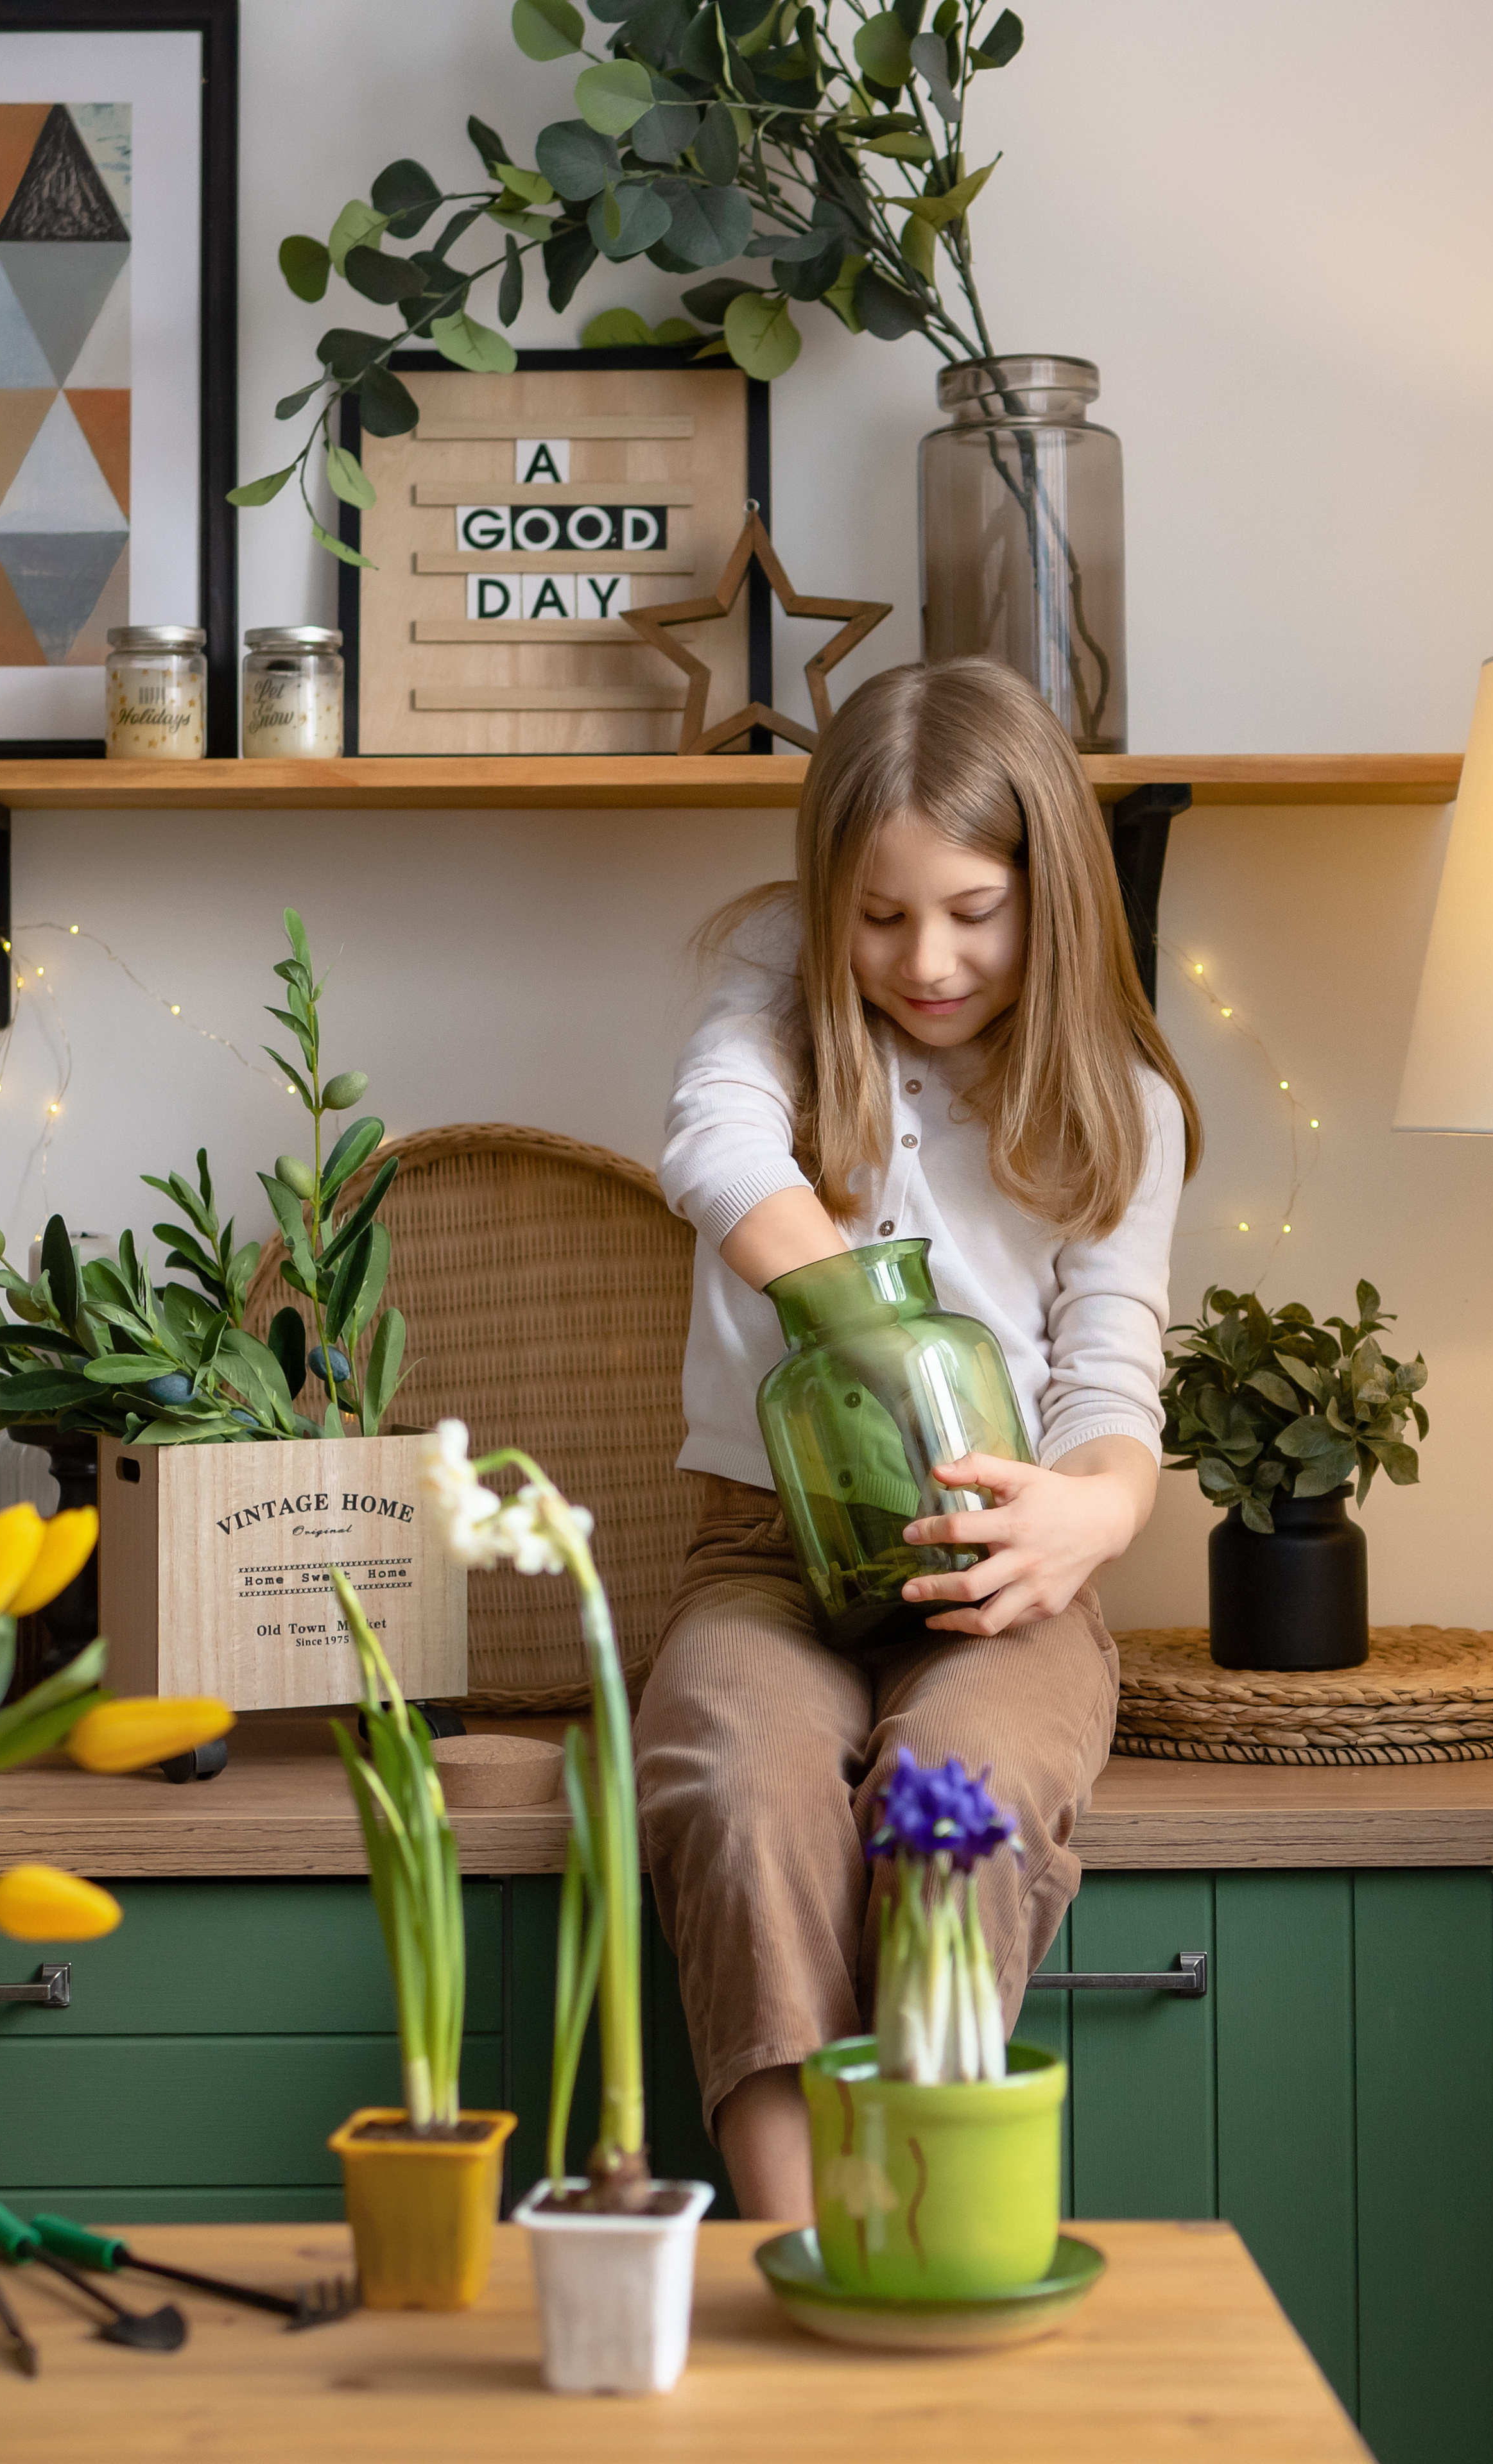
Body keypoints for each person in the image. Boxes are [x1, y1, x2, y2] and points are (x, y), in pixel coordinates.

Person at [635, 656, 1202, 2221]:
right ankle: (798, 2241)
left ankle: (909, 2213)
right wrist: (877, 1342)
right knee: (734, 1775)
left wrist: (1087, 1519)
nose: (925, 959)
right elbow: (714, 1142)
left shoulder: (1122, 1103)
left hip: (1005, 1560)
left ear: (1050, 893)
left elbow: (1108, 1386)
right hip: (764, 1554)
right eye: (879, 917)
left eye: (972, 911)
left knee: (961, 1785)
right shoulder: (774, 986)